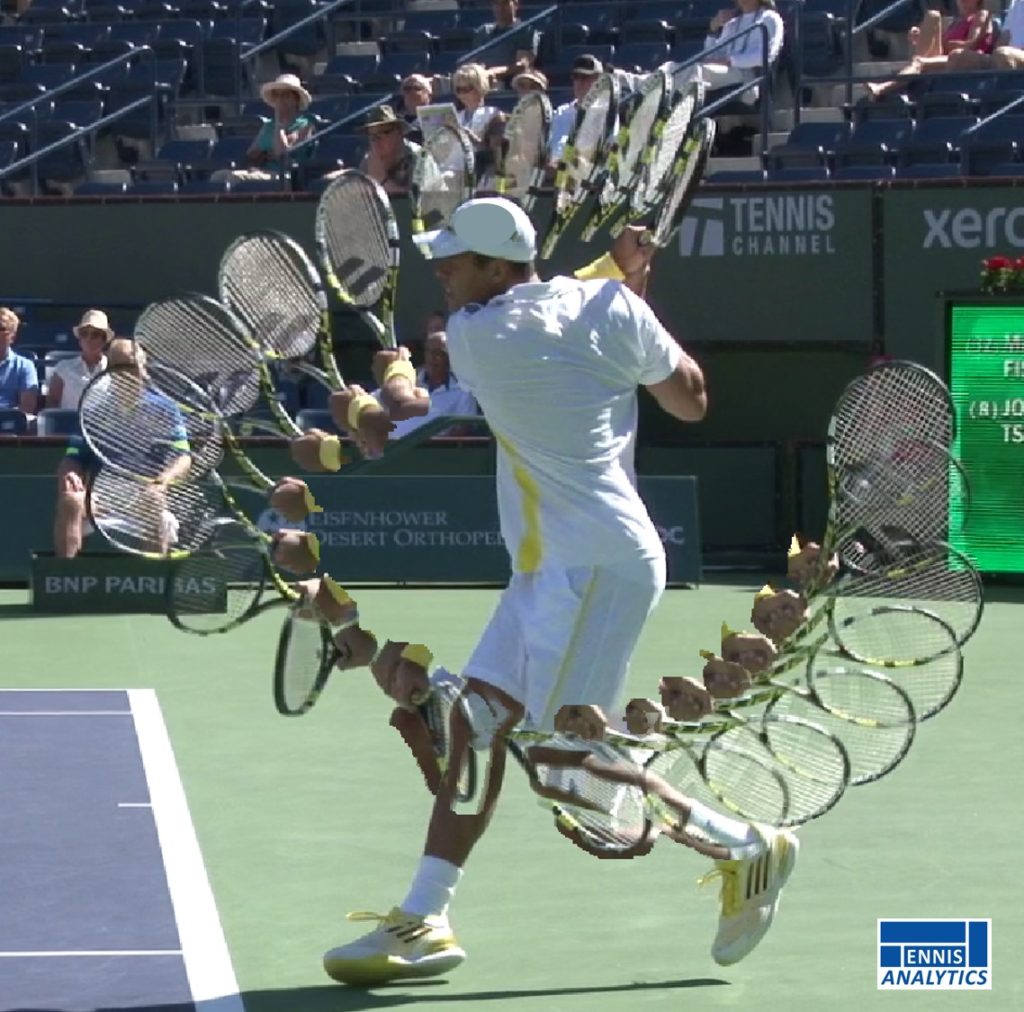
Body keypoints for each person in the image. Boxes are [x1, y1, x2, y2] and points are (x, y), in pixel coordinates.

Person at [322, 197, 798, 984]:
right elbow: (688, 397)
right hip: (560, 566)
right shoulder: (610, 307)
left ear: (500, 266)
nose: (441, 271)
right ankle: (425, 917)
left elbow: (398, 421)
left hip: (591, 571)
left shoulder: (478, 335)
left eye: (456, 260)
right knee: (474, 727)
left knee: (562, 763)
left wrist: (381, 386)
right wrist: (630, 294)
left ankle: (747, 847)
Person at [53, 339, 192, 559]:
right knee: (71, 500)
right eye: (118, 366)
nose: (125, 373)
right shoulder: (93, 411)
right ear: (109, 371)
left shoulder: (166, 409)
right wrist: (69, 473)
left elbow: (183, 458)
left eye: (131, 366)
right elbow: (72, 457)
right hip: (101, 495)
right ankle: (64, 580)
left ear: (143, 371)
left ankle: (153, 583)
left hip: (146, 492)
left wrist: (162, 481)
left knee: (153, 501)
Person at [867, 0, 994, 98]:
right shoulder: (958, 21)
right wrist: (920, 37)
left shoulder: (981, 14)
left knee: (919, 62)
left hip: (962, 60)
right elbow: (944, 45)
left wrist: (946, 43)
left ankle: (883, 87)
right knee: (932, 15)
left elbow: (970, 45)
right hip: (944, 58)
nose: (961, 1)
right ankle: (914, 72)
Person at [375, 330, 479, 440]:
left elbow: (463, 430)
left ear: (450, 357)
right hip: (392, 448)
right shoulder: (405, 380)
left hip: (433, 453)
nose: (432, 358)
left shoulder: (463, 391)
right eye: (429, 352)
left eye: (439, 353)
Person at [216, 73, 315, 182]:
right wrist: (265, 155)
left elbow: (281, 154)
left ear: (296, 100)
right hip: (260, 171)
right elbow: (251, 154)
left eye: (286, 95)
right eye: (277, 95)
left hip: (283, 175)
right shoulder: (268, 126)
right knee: (219, 176)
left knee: (234, 178)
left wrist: (279, 126)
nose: (280, 100)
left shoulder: (305, 124)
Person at [701, 0, 785, 104]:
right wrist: (713, 29)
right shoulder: (732, 23)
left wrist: (730, 61)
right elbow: (711, 56)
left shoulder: (770, 18)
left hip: (749, 77)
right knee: (677, 69)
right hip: (726, 72)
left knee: (696, 72)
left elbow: (766, 56)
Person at [46, 309, 111, 411]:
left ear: (104, 340)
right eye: (84, 334)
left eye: (95, 334)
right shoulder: (63, 368)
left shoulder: (113, 369)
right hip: (68, 425)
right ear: (80, 339)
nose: (89, 339)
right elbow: (52, 404)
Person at [472, 0, 543, 88]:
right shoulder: (483, 31)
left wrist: (493, 72)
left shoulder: (526, 30)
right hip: (481, 81)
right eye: (496, 3)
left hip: (509, 84)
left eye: (505, 3)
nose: (500, 8)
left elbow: (522, 64)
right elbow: (475, 60)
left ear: (516, 4)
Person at [548, 53, 602, 163]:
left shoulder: (604, 115)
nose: (579, 82)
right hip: (551, 175)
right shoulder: (561, 112)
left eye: (585, 77)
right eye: (576, 77)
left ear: (598, 82)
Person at [357, 105, 422, 194]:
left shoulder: (419, 158)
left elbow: (424, 201)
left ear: (399, 133)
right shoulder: (368, 161)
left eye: (384, 133)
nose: (377, 142)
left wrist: (381, 180)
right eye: (373, 137)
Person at [948, 0, 1024, 70]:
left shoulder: (980, 15)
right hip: (1002, 57)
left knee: (1003, 54)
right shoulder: (1017, 4)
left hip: (1013, 56)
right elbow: (1005, 37)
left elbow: (972, 43)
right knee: (958, 57)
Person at [0, 306, 39, 417]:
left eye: (1, 328)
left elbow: (27, 408)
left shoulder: (25, 366)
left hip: (10, 427)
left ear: (12, 336)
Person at [451, 64, 502, 148]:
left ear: (479, 87)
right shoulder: (457, 116)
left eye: (466, 89)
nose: (461, 94)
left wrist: (470, 138)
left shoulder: (494, 115)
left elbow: (494, 152)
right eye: (458, 90)